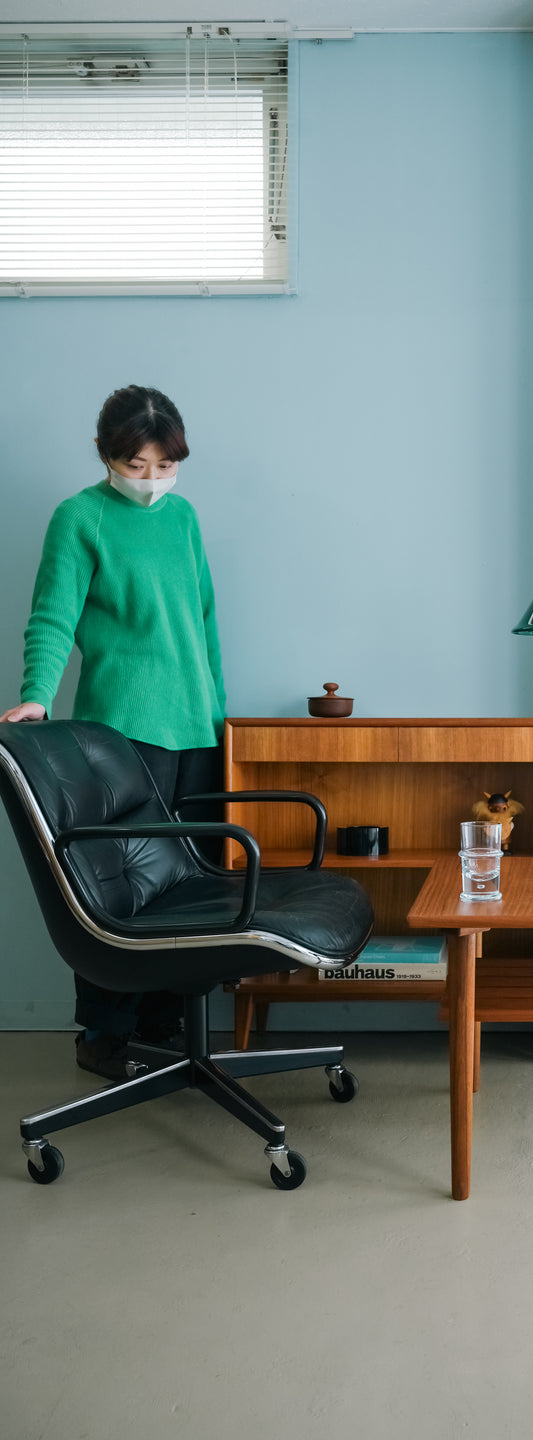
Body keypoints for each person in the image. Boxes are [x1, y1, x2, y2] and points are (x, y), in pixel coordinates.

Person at [1, 385, 227, 1079]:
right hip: (123, 732)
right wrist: (34, 698)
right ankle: (102, 1032)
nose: (152, 481)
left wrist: (222, 713)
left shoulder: (183, 518)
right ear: (106, 456)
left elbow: (205, 620)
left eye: (165, 467)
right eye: (137, 466)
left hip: (197, 731)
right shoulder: (80, 518)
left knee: (190, 883)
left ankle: (164, 1024)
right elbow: (52, 615)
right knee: (118, 888)